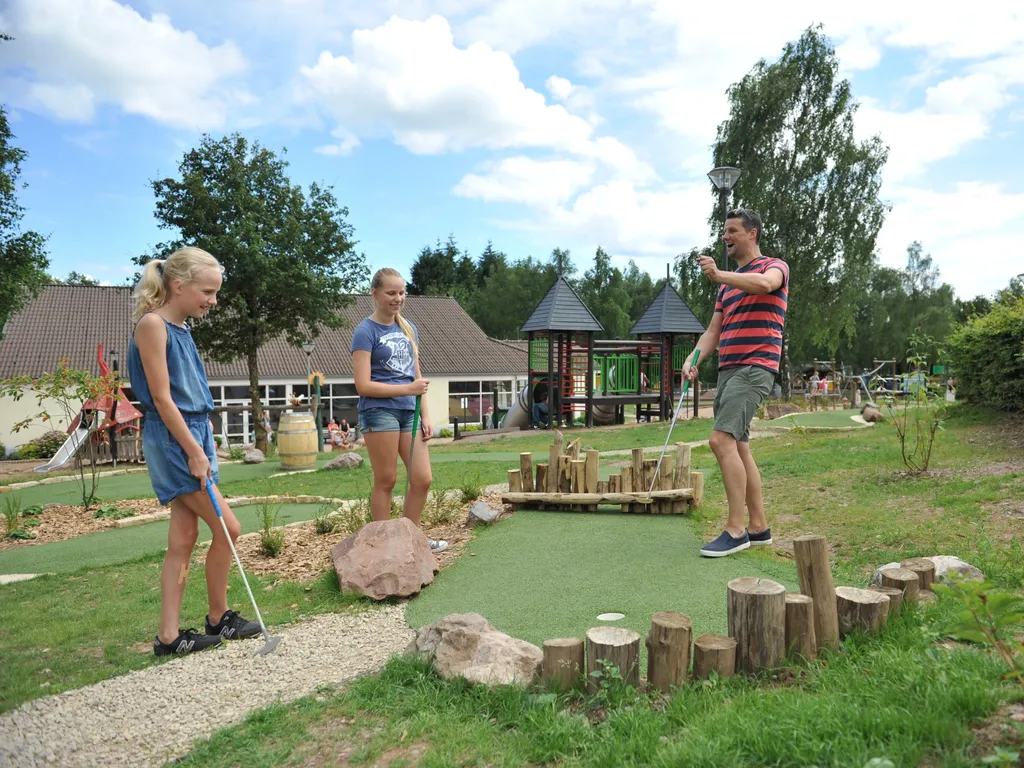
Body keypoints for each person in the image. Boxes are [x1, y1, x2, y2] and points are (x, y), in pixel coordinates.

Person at [127, 247, 262, 656]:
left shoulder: (182, 328)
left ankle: (169, 637)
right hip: (174, 439)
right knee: (229, 528)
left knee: (183, 538)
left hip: (192, 435)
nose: (213, 301)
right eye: (208, 291)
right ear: (178, 285)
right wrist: (194, 450)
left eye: (216, 293)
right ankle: (219, 618)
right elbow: (163, 400)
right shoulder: (154, 326)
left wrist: (204, 441)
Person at [682, 208, 790, 557]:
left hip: (755, 366)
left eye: (732, 230)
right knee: (740, 447)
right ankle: (758, 528)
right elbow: (714, 330)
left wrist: (720, 275)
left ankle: (736, 530)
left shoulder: (773, 266)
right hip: (729, 369)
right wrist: (693, 359)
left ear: (752, 233)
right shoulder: (726, 288)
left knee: (720, 441)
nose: (725, 236)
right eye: (723, 231)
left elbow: (766, 285)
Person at [351, 268, 447, 553]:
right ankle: (382, 546)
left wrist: (426, 415)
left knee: (422, 478)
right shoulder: (365, 331)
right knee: (387, 479)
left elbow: (416, 376)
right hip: (379, 411)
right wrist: (407, 390)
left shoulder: (408, 328)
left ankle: (411, 540)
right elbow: (363, 385)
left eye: (402, 293)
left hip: (410, 411)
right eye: (391, 293)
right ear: (375, 293)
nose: (398, 299)